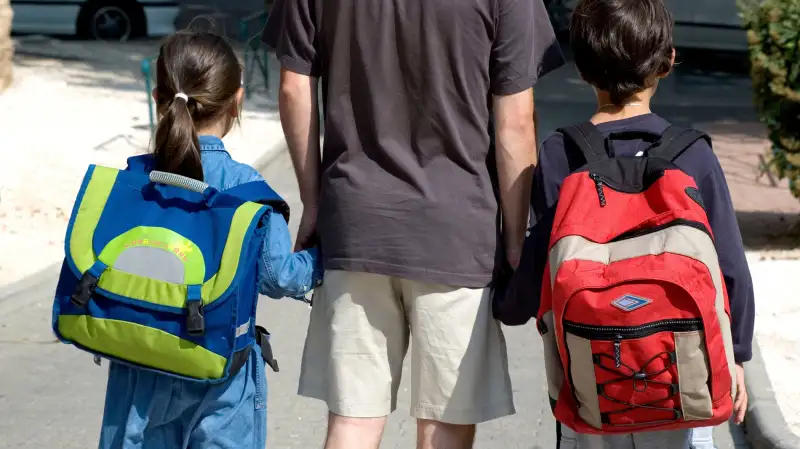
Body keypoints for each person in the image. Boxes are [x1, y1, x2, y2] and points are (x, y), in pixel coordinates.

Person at [263, 0, 564, 447]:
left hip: (354, 219)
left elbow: (293, 87)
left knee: (352, 419)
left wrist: (313, 200)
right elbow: (516, 120)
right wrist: (515, 237)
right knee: (443, 423)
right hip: (458, 230)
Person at [497, 0, 755, 447]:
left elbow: (542, 258)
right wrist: (737, 357)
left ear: (581, 69)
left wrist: (508, 303)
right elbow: (730, 267)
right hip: (684, 381)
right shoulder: (692, 154)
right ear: (668, 61)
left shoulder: (561, 153)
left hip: (590, 383)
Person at [99, 30, 322, 449]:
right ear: (237, 100)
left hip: (138, 362)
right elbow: (279, 277)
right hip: (220, 370)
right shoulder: (244, 188)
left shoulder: (132, 181)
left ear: (157, 98)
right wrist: (322, 257)